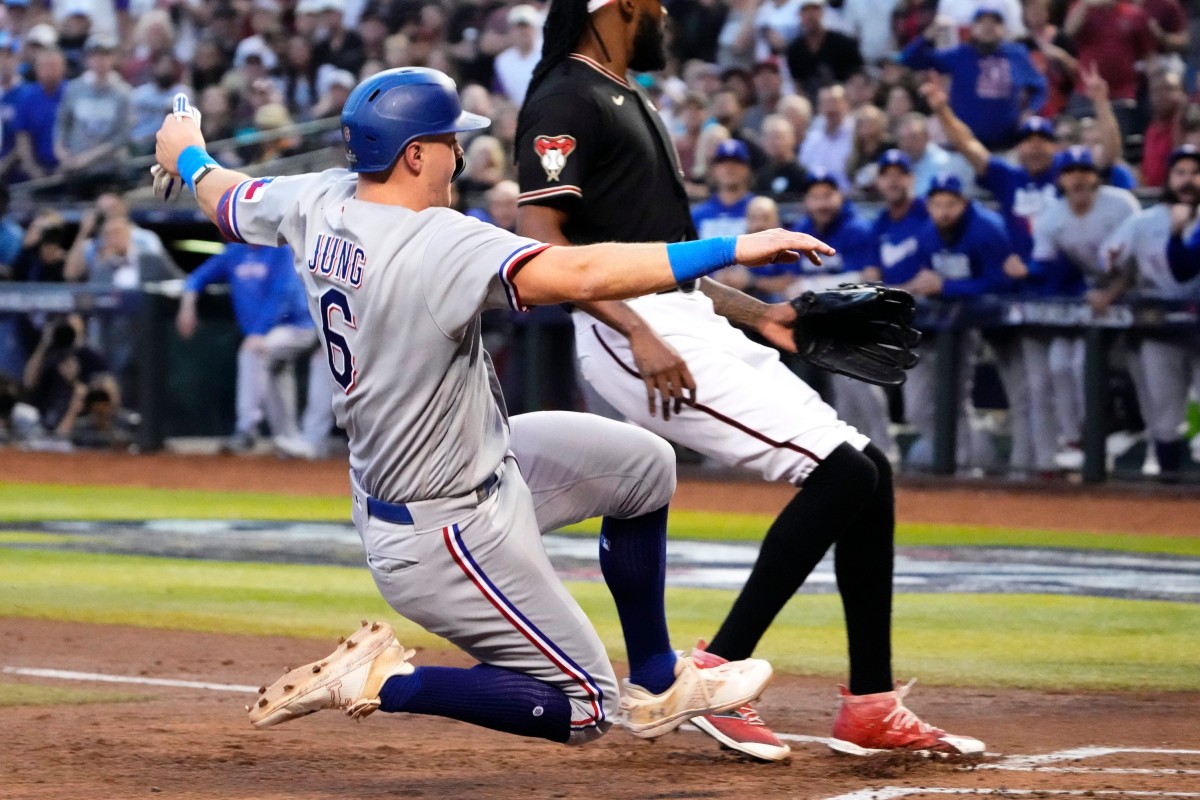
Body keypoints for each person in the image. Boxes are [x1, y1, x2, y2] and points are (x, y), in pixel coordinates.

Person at [154, 67, 811, 748]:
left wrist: (187, 151)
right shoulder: (439, 243)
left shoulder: (317, 198)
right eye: (449, 141)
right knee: (586, 707)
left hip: (476, 465)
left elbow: (224, 197)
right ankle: (383, 680)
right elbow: (582, 272)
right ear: (414, 155)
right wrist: (731, 248)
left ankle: (656, 680)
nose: (459, 154)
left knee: (645, 467)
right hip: (442, 530)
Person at [516, 0, 985, 762]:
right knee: (838, 473)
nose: (663, 11)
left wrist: (762, 315)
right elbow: (541, 245)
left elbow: (666, 261)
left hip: (681, 315)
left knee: (868, 470)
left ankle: (869, 705)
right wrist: (635, 331)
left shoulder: (625, 93)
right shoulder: (565, 96)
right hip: (631, 328)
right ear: (619, 5)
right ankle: (714, 672)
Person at [1029, 146, 1143, 470]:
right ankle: (1075, 439)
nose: (1077, 177)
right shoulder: (1052, 217)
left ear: (1095, 177)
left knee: (1084, 364)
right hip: (1088, 295)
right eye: (1069, 172)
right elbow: (1047, 269)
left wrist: (1113, 293)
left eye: (1084, 170)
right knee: (1058, 363)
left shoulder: (1121, 204)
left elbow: (1140, 257)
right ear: (1059, 179)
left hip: (1135, 289)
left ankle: (1104, 431)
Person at [899, 173, 1020, 471]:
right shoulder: (928, 232)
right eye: (937, 204)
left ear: (964, 203)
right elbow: (927, 276)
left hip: (990, 325)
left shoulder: (986, 228)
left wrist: (948, 287)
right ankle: (966, 456)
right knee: (917, 409)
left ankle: (967, 465)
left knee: (956, 400)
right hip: (939, 325)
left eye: (950, 204)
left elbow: (1002, 282)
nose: (943, 211)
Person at [176, 243, 335, 459]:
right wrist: (188, 302)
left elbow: (282, 294)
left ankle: (247, 430)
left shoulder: (280, 249)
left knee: (255, 352)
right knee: (274, 371)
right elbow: (198, 276)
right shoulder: (235, 251)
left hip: (299, 327)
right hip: (269, 334)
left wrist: (259, 331)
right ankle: (288, 440)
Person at [1104, 146, 1200, 478]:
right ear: (1169, 178)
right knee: (1164, 411)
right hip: (1160, 325)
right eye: (1181, 172)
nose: (1188, 180)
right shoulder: (1145, 221)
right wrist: (1111, 264)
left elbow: (1183, 267)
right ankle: (1168, 485)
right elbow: (1110, 259)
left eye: (1195, 173)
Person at [899, 6, 1046, 150]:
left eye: (994, 23)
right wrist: (929, 34)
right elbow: (909, 59)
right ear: (972, 28)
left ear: (1003, 28)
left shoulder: (1016, 54)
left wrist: (1030, 111)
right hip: (964, 147)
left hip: (1007, 146)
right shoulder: (959, 55)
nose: (988, 27)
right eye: (982, 23)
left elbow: (1040, 86)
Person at [784, 0, 864, 102]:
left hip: (843, 100)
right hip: (809, 102)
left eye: (814, 9)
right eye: (805, 10)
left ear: (822, 12)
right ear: (799, 15)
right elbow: (796, 83)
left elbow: (857, 74)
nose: (810, 15)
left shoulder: (844, 43)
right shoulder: (794, 49)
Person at [692, 139, 757, 238]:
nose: (729, 168)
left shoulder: (759, 211)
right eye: (722, 162)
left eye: (736, 162)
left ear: (747, 168)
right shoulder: (698, 214)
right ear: (713, 169)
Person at [753, 113, 808, 201]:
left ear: (792, 139)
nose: (774, 142)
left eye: (778, 137)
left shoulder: (803, 175)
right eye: (769, 137)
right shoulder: (761, 176)